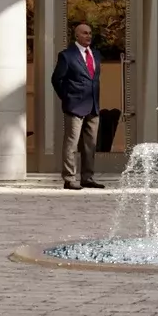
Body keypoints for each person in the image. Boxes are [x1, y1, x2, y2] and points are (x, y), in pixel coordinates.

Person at [50, 23, 105, 190]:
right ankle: (69, 178)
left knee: (90, 145)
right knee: (71, 143)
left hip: (93, 105)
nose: (88, 36)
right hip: (74, 106)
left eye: (90, 33)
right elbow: (56, 79)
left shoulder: (95, 55)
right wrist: (67, 97)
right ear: (77, 36)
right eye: (85, 33)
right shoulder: (67, 56)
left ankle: (88, 177)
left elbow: (93, 79)